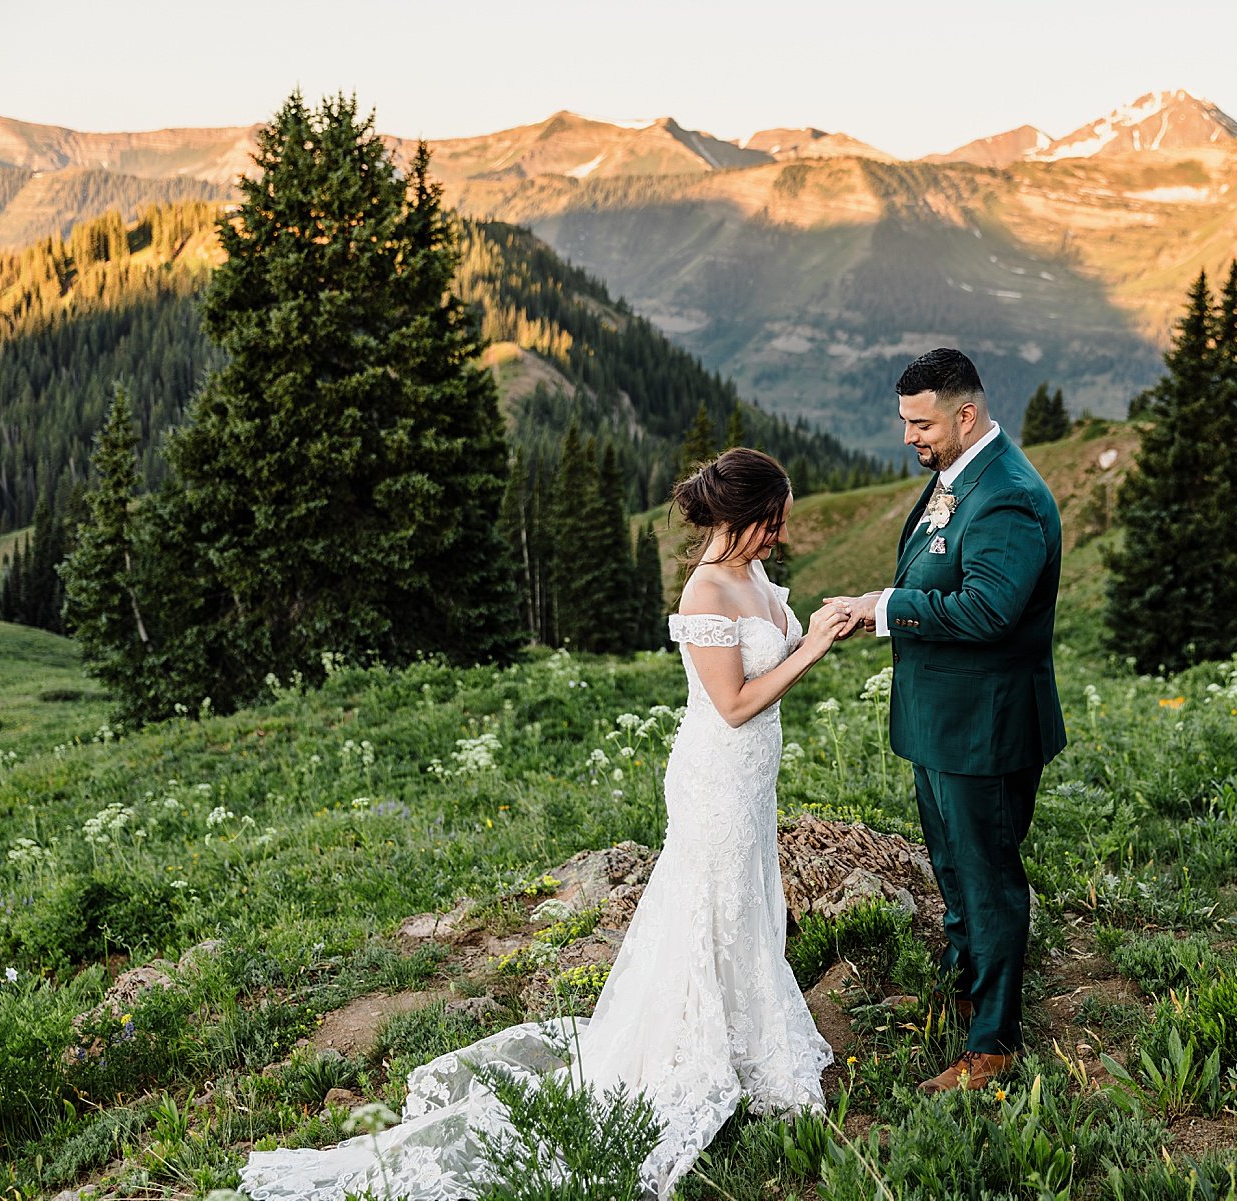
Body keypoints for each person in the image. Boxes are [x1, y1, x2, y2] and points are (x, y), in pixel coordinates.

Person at [241, 447, 846, 1199]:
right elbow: (734, 703)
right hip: (716, 775)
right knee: (708, 902)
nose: (778, 537)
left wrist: (822, 625)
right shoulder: (704, 591)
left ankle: (747, 1036)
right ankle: (691, 1049)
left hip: (754, 779)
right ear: (740, 516)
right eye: (772, 523)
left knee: (746, 898)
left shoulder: (755, 576)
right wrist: (812, 650)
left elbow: (775, 656)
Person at [827, 348, 1066, 1094]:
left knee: (987, 875)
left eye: (920, 421)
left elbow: (990, 610)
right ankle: (969, 986)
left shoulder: (1008, 496)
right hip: (942, 722)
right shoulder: (955, 477)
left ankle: (994, 1043)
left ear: (966, 414)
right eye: (904, 421)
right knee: (953, 867)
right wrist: (885, 597)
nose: (908, 436)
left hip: (984, 727)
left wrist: (888, 610)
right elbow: (940, 569)